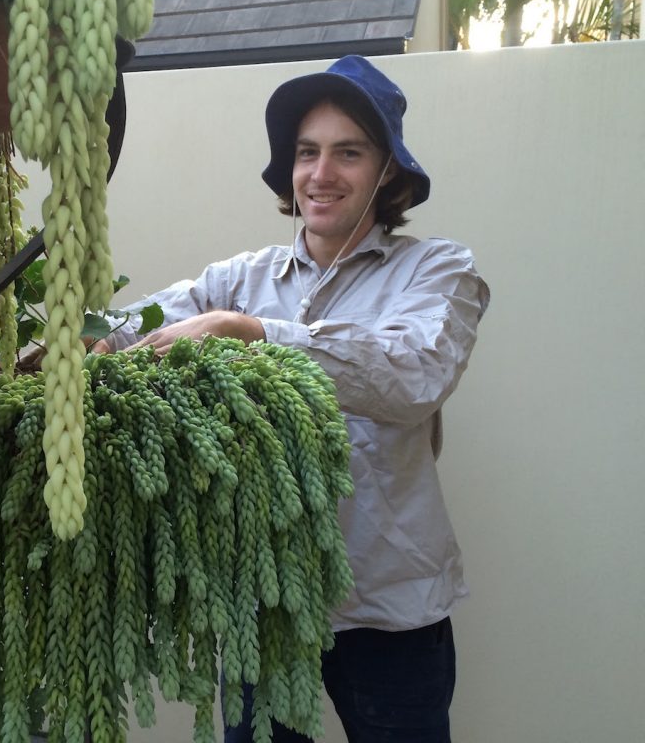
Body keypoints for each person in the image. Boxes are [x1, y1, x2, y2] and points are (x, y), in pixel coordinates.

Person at [99, 55, 490, 742]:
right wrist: (73, 347)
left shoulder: (435, 270)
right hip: (264, 607)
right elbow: (140, 325)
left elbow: (415, 375)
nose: (322, 173)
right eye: (307, 152)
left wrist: (251, 334)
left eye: (349, 152)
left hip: (388, 611)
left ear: (387, 170)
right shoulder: (242, 276)